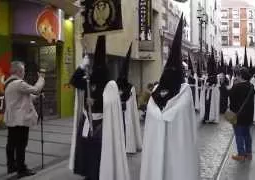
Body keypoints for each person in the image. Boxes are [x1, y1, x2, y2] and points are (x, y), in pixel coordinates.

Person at [140, 15, 199, 180]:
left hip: (177, 146)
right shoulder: (158, 90)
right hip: (158, 142)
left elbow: (180, 112)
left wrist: (164, 115)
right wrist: (161, 115)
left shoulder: (184, 90)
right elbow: (151, 108)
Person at [69, 36, 130, 180]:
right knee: (86, 150)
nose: (97, 69)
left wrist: (96, 101)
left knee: (99, 152)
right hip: (87, 121)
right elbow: (74, 81)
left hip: (101, 125)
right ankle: (88, 174)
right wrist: (81, 66)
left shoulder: (110, 85)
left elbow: (111, 105)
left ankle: (98, 174)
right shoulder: (88, 80)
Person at [4, 61, 45, 178]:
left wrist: (37, 97)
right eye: (23, 70)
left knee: (11, 143)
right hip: (20, 119)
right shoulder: (18, 83)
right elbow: (36, 89)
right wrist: (41, 79)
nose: (24, 72)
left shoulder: (8, 83)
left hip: (12, 118)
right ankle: (21, 169)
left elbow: (25, 97)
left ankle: (11, 166)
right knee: (21, 144)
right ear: (18, 71)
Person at [117, 43, 142, 153]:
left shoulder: (130, 88)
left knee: (126, 126)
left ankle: (127, 145)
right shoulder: (116, 86)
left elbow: (132, 104)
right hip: (119, 112)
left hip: (126, 112)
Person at [229, 67, 255, 161]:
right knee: (247, 134)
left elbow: (231, 100)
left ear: (240, 76)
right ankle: (249, 154)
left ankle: (241, 154)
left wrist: (234, 85)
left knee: (239, 135)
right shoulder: (251, 86)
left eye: (237, 75)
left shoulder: (237, 86)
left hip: (238, 116)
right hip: (248, 115)